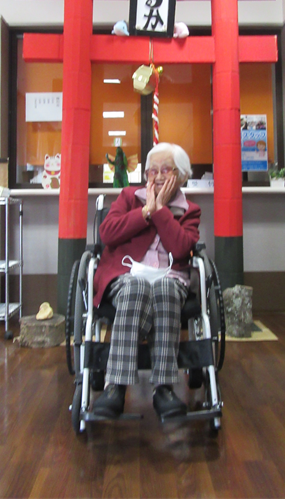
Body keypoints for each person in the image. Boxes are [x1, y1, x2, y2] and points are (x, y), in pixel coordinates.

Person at [92, 142, 201, 420]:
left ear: (182, 175)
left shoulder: (189, 210)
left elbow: (180, 250)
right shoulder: (129, 196)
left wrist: (161, 211)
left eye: (166, 170)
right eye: (153, 171)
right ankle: (115, 386)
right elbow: (108, 233)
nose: (159, 176)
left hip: (169, 278)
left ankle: (163, 388)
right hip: (126, 276)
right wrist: (144, 212)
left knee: (165, 289)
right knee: (136, 286)